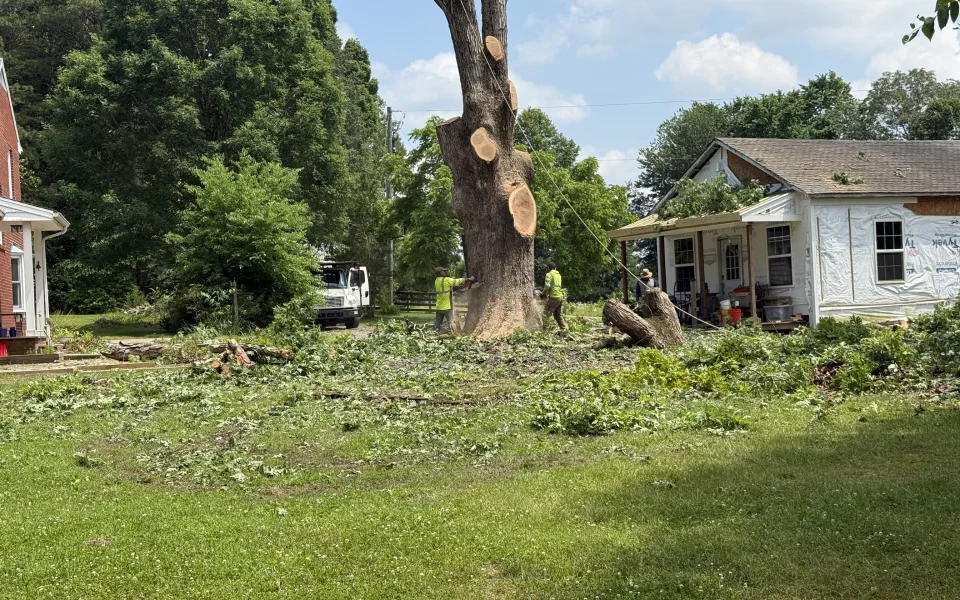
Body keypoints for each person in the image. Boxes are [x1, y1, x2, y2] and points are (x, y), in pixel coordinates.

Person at [434, 267, 474, 333]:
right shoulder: (446, 280)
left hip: (439, 307)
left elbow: (447, 288)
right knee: (453, 322)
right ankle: (456, 334)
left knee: (437, 323)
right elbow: (457, 281)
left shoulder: (436, 281)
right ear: (440, 273)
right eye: (443, 271)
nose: (445, 272)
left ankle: (435, 334)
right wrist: (469, 279)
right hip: (447, 307)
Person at [541, 261, 568, 331]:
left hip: (554, 297)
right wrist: (547, 292)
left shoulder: (549, 274)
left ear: (549, 268)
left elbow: (547, 286)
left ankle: (545, 331)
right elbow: (554, 286)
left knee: (545, 314)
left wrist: (543, 293)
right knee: (557, 315)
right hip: (560, 296)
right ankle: (564, 329)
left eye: (547, 268)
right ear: (555, 268)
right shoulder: (559, 275)